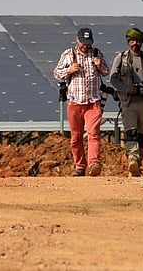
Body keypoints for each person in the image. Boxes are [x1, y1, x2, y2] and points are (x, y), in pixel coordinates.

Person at [53, 27, 110, 176]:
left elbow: (106, 72)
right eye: (83, 43)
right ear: (77, 40)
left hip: (93, 102)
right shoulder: (68, 54)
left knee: (93, 134)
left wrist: (100, 65)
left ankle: (94, 163)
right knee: (76, 137)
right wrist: (69, 70)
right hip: (75, 103)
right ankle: (80, 166)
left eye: (88, 43)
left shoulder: (97, 53)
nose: (86, 46)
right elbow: (56, 73)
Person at [109, 27, 143, 177]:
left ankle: (137, 165)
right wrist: (126, 89)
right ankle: (132, 158)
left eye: (138, 41)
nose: (135, 44)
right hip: (128, 103)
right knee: (131, 132)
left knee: (141, 136)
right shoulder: (121, 58)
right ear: (128, 42)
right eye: (133, 41)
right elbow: (113, 79)